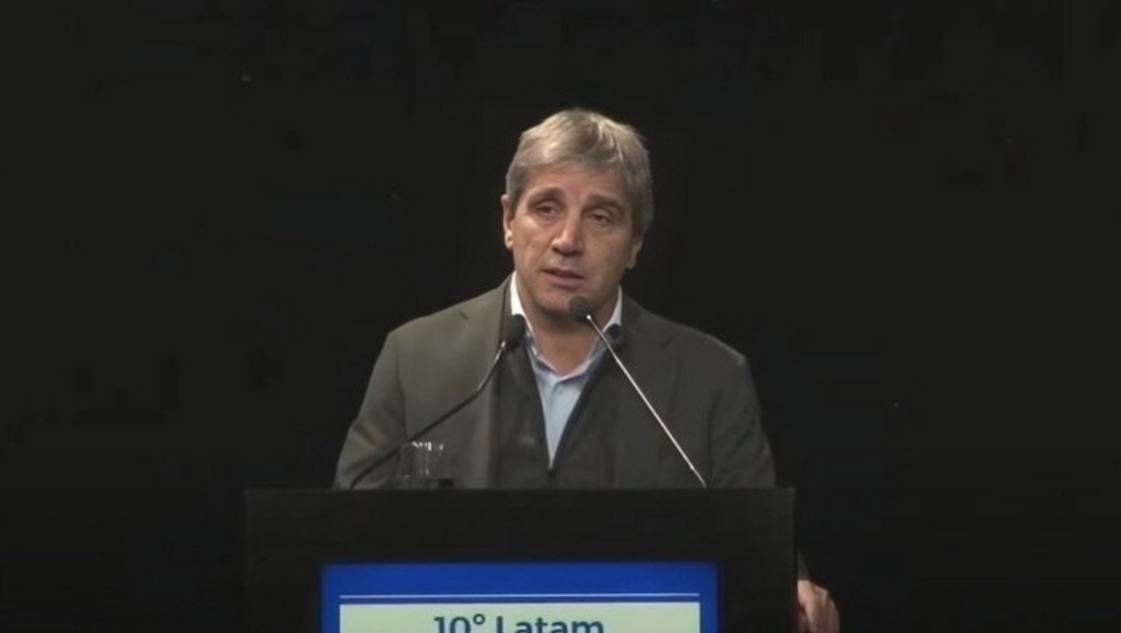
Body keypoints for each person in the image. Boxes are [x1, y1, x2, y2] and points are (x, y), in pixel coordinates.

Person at [334, 108, 839, 633]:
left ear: (636, 242)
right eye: (546, 208)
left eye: (601, 217)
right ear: (508, 221)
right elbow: (343, 537)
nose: (568, 240)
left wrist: (791, 588)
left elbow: (758, 547)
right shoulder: (415, 356)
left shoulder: (711, 377)